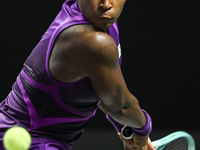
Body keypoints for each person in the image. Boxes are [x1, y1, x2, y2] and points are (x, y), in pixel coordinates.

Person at [0, 0, 154, 149]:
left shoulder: (99, 19)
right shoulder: (92, 41)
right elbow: (122, 108)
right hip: (32, 139)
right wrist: (143, 127)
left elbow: (101, 87)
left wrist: (127, 125)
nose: (106, 4)